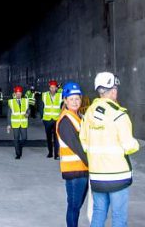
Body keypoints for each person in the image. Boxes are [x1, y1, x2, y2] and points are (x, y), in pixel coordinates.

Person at [81, 72, 140, 227]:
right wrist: (136, 144)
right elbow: (129, 146)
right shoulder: (119, 115)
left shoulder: (88, 114)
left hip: (96, 174)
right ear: (113, 91)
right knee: (119, 216)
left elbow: (84, 143)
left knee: (99, 211)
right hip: (117, 175)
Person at [56, 81, 88, 227]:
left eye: (77, 99)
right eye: (71, 99)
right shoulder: (65, 120)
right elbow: (77, 147)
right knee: (74, 207)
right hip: (74, 171)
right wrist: (94, 164)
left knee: (76, 206)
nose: (75, 102)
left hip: (82, 170)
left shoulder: (78, 117)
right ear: (65, 100)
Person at [42, 80, 63, 159]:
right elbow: (41, 106)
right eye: (51, 87)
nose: (53, 89)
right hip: (47, 120)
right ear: (49, 88)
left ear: (56, 88)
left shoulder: (60, 95)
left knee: (56, 137)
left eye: (54, 88)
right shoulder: (44, 95)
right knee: (48, 137)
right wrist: (42, 117)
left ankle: (56, 154)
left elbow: (65, 101)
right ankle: (50, 152)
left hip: (56, 119)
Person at [6, 86, 29, 159]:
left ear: (21, 94)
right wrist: (9, 124)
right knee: (16, 139)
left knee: (24, 138)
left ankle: (19, 147)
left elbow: (28, 109)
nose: (18, 95)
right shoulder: (11, 102)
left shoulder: (25, 101)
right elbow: (9, 114)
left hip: (23, 122)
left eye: (20, 93)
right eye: (17, 93)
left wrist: (28, 113)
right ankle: (18, 154)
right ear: (15, 94)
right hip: (15, 124)